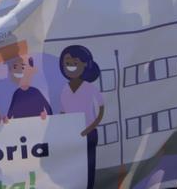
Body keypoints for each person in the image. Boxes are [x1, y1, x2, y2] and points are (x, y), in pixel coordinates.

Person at [58, 45, 104, 189]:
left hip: (88, 134)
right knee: (73, 169)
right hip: (72, 135)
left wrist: (88, 129)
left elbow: (100, 111)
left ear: (85, 64)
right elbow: (65, 111)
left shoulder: (90, 88)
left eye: (74, 63)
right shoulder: (65, 88)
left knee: (88, 170)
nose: (70, 66)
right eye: (67, 63)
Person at [6, 55, 52, 120]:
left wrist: (46, 116)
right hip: (22, 126)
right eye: (16, 68)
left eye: (22, 68)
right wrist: (7, 119)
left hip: (36, 124)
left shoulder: (36, 92)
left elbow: (47, 108)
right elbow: (10, 112)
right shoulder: (17, 93)